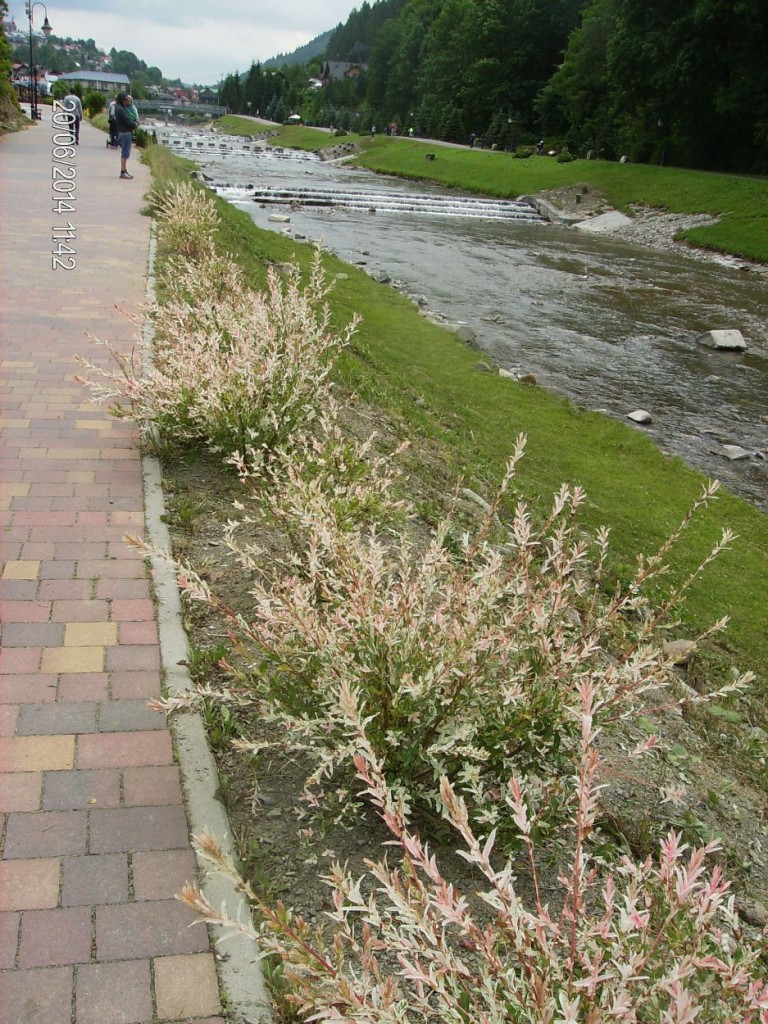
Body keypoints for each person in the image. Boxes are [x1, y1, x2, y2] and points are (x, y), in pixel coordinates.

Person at [114, 92, 138, 179]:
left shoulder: (118, 107)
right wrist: (135, 124)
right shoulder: (120, 109)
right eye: (125, 99)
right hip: (126, 132)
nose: (126, 101)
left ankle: (124, 170)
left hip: (123, 132)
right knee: (125, 153)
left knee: (125, 152)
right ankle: (123, 171)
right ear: (122, 100)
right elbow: (128, 122)